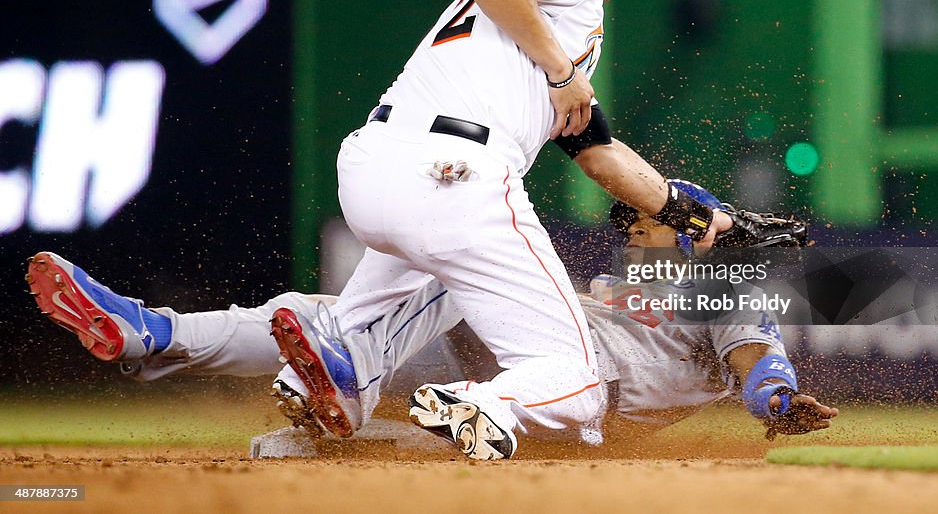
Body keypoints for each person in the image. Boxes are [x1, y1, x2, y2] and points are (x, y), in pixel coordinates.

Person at [268, 0, 804, 460]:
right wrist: (561, 70)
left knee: (404, 305)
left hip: (376, 169)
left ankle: (327, 378)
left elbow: (599, 154)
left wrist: (701, 219)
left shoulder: (535, 18)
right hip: (458, 174)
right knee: (573, 380)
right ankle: (486, 404)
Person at [27, 181, 832, 450]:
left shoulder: (719, 290)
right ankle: (152, 330)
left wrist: (778, 401)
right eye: (629, 222)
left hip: (576, 389)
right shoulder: (618, 285)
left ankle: (339, 406)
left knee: (456, 260)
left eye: (648, 221)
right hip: (531, 370)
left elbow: (757, 360)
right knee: (321, 314)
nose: (633, 229)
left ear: (692, 235)